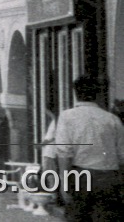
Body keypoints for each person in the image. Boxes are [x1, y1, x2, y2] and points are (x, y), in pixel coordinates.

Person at [47, 75, 124, 222]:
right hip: (108, 179)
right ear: (98, 94)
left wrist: (63, 184)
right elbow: (122, 156)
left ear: (75, 93)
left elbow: (64, 152)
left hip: (81, 177)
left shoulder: (67, 117)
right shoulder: (112, 119)